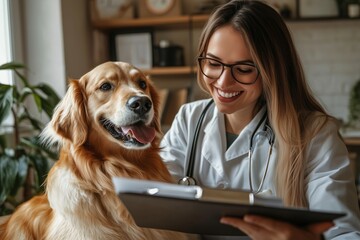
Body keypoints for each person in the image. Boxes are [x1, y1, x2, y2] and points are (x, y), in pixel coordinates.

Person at [159, 0, 360, 239]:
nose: (223, 83)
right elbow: (154, 199)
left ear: (271, 71)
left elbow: (344, 234)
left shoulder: (316, 134)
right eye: (213, 64)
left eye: (243, 69)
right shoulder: (189, 119)